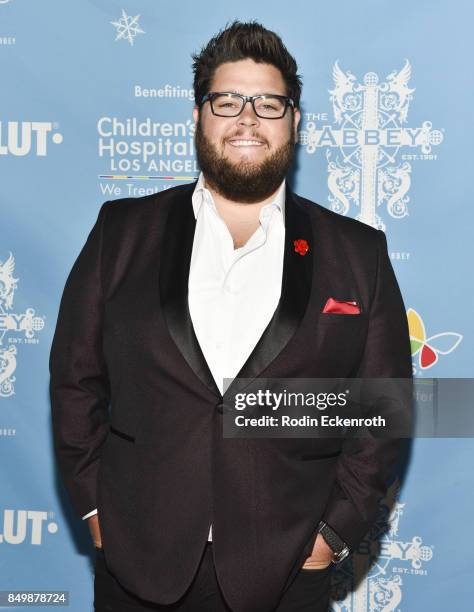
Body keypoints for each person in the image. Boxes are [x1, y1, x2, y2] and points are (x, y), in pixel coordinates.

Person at [50, 20, 412, 612]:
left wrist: (335, 531)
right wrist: (93, 505)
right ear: (199, 116)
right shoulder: (122, 232)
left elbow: (385, 404)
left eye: (269, 104)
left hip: (286, 571)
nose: (248, 118)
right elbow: (75, 380)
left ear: (295, 122)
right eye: (227, 101)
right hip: (141, 561)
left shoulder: (358, 252)